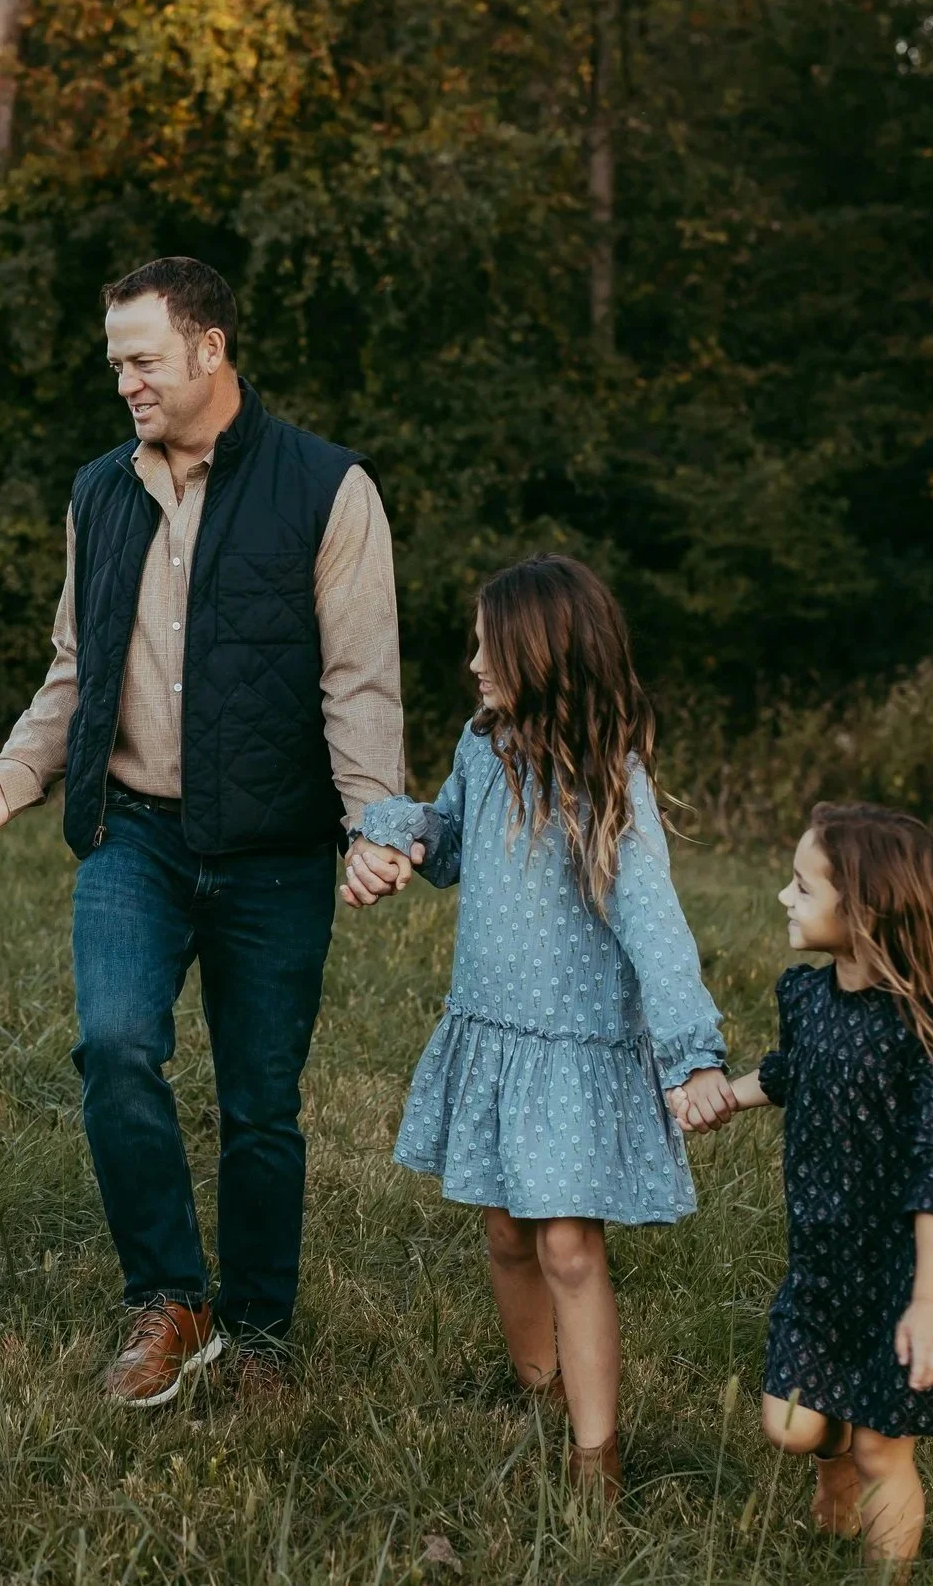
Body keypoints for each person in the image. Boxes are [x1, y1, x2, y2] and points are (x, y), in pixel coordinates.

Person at [0, 257, 406, 1405]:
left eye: (143, 359)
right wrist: (9, 776)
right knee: (113, 1047)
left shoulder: (328, 488)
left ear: (210, 349)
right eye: (115, 363)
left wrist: (374, 823)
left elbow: (359, 682)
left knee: (261, 1103)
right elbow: (74, 670)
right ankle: (167, 1296)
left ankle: (258, 1335)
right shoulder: (98, 492)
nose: (126, 383)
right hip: (133, 838)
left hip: (275, 851)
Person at [344, 554, 736, 1500]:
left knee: (567, 1245)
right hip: (495, 1037)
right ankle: (541, 1393)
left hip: (571, 1052)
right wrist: (402, 836)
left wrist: (690, 1055)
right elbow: (448, 839)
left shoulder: (607, 780)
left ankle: (595, 1455)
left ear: (545, 653)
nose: (474, 662)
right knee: (506, 1234)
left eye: (490, 646)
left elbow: (654, 921)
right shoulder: (482, 746)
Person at [686, 803, 933, 1574]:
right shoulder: (809, 996)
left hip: (908, 1268)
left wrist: (931, 1302)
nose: (783, 897)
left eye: (802, 886)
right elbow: (798, 1070)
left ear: (864, 912)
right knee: (791, 1424)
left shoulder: (925, 1032)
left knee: (880, 1448)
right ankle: (833, 1466)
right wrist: (722, 1098)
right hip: (827, 1252)